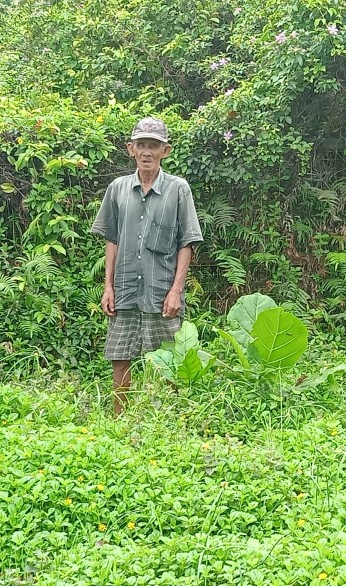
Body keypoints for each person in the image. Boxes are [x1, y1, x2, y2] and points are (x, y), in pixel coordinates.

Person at [92, 117, 204, 414]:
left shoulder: (178, 189)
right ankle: (120, 417)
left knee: (169, 358)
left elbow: (187, 242)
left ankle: (168, 417)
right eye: (141, 145)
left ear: (165, 150)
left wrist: (176, 291)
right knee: (120, 355)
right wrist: (108, 287)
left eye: (153, 146)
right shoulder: (117, 189)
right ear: (131, 149)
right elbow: (112, 239)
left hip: (161, 289)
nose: (147, 152)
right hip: (125, 287)